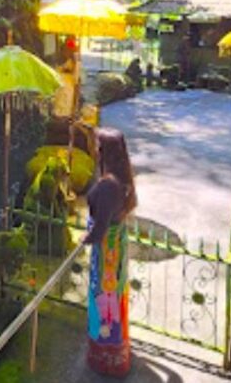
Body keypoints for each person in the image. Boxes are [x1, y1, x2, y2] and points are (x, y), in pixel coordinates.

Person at [84, 127, 137, 377]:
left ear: (105, 150)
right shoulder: (123, 178)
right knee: (114, 297)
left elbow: (100, 228)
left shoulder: (108, 185)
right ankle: (116, 350)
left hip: (106, 253)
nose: (94, 149)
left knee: (104, 299)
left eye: (97, 145)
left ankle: (104, 357)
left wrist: (84, 241)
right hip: (117, 249)